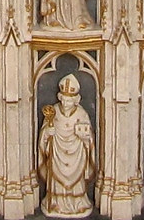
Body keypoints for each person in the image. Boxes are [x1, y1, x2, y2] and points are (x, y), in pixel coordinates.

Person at [39, 74, 94, 217]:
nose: (66, 103)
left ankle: (78, 202)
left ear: (76, 100)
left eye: (69, 100)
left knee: (76, 180)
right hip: (57, 153)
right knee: (57, 178)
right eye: (64, 99)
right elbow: (44, 134)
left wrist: (86, 139)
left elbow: (89, 137)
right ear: (59, 97)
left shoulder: (82, 114)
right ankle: (57, 202)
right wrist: (47, 133)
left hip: (77, 154)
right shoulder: (53, 112)